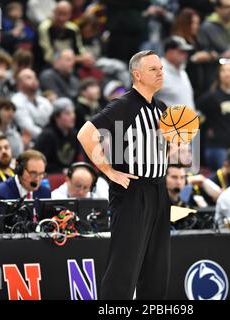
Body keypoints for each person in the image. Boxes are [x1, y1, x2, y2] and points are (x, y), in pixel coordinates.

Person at [77, 50, 170, 299]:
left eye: (161, 68)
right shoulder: (124, 105)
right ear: (137, 75)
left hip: (159, 190)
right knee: (124, 266)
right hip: (132, 192)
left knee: (156, 266)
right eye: (153, 69)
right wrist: (109, 171)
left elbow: (162, 149)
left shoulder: (161, 108)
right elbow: (86, 134)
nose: (160, 73)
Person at [197, 58, 230, 172]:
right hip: (218, 147)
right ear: (218, 75)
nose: (227, 74)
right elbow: (196, 114)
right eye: (223, 70)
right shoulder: (211, 97)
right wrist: (206, 128)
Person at [34, 97, 80, 174]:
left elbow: (75, 160)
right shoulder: (47, 135)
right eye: (67, 113)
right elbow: (39, 163)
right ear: (56, 117)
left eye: (73, 112)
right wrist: (61, 170)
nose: (73, 116)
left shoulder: (74, 134)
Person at [11, 68, 53, 139]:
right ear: (19, 83)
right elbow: (28, 128)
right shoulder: (16, 101)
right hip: (30, 140)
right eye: (28, 78)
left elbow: (53, 121)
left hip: (48, 136)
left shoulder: (44, 101)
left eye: (35, 77)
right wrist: (48, 135)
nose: (34, 80)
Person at [156, 36, 195, 109]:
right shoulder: (157, 72)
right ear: (169, 52)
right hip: (168, 119)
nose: (185, 55)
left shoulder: (182, 71)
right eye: (181, 51)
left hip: (189, 119)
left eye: (186, 52)